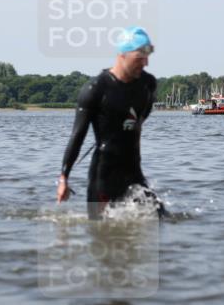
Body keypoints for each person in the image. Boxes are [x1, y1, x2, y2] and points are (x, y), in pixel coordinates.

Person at [57, 26, 160, 219]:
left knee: (159, 220)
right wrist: (64, 178)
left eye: (148, 56)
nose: (145, 62)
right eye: (140, 57)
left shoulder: (148, 84)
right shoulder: (96, 89)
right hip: (103, 177)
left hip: (134, 173)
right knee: (101, 233)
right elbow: (77, 136)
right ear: (123, 54)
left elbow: (141, 117)